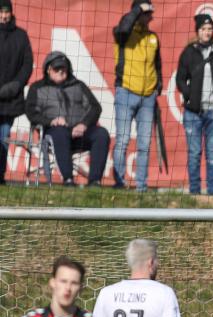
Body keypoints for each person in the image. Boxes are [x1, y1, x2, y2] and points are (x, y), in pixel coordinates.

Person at [25, 52, 110, 186]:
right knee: (60, 132)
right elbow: (31, 113)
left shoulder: (79, 85)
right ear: (48, 69)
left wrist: (83, 124)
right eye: (57, 68)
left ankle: (95, 181)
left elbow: (95, 107)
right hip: (53, 133)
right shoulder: (37, 88)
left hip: (79, 133)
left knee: (101, 134)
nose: (61, 71)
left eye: (63, 68)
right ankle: (68, 179)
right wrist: (51, 121)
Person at [176, 12, 213, 196]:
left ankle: (212, 193)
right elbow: (180, 79)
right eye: (203, 29)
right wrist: (189, 95)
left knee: (212, 155)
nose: (207, 32)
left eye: (210, 29)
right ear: (197, 31)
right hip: (193, 112)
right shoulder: (189, 52)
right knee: (194, 154)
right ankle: (194, 192)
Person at [112, 1, 162, 192]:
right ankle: (120, 183)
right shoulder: (122, 34)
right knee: (123, 140)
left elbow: (157, 66)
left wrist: (158, 86)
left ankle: (142, 186)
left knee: (144, 144)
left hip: (148, 97)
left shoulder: (153, 38)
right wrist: (138, 10)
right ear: (136, 12)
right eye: (147, 12)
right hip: (126, 92)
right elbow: (124, 26)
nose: (150, 16)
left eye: (150, 13)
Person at [0, 0, 32, 185]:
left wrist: (15, 85)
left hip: (9, 101)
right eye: (1, 12)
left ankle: (0, 174)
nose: (4, 16)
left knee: (3, 137)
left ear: (11, 13)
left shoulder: (21, 36)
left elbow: (27, 65)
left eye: (6, 12)